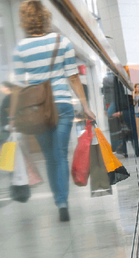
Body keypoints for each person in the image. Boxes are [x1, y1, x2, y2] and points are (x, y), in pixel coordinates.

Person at [10, 0, 96, 222]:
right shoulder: (62, 42)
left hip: (37, 110)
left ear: (25, 20)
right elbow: (73, 77)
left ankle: (60, 200)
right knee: (59, 154)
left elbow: (18, 86)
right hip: (62, 105)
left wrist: (12, 114)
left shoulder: (20, 49)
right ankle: (63, 202)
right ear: (45, 17)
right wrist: (85, 106)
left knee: (49, 157)